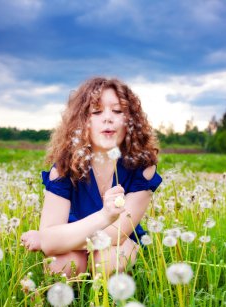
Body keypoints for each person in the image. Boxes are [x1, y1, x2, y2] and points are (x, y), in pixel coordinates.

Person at [21, 77, 162, 277]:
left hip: (117, 243)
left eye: (118, 110)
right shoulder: (63, 169)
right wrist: (104, 216)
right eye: (96, 111)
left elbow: (117, 233)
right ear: (81, 121)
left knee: (109, 260)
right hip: (73, 238)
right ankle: (73, 303)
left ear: (131, 120)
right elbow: (51, 242)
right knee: (63, 264)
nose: (108, 118)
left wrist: (56, 240)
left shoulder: (143, 168)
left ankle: (111, 304)